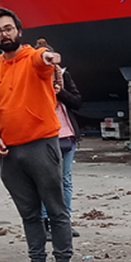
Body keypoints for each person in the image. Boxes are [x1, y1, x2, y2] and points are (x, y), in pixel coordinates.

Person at [0, 7, 75, 262]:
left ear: (18, 31)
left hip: (41, 145)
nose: (4, 34)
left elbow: (41, 59)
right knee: (29, 213)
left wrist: (47, 56)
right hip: (11, 152)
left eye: (8, 28)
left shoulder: (33, 60)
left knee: (56, 209)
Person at [41, 66, 83, 240]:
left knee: (65, 180)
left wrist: (61, 92)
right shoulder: (32, 78)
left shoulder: (63, 75)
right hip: (45, 136)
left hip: (67, 136)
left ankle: (64, 222)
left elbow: (77, 102)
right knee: (46, 181)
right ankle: (45, 222)